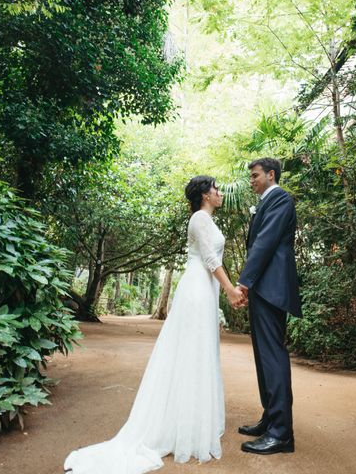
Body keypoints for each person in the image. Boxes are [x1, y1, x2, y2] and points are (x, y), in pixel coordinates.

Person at [63, 176, 246, 474]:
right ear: (204, 195)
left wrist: (226, 292)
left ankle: (190, 423)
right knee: (190, 353)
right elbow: (211, 259)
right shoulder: (199, 219)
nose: (220, 192)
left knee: (201, 354)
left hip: (206, 291)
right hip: (197, 290)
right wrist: (230, 290)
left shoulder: (209, 221)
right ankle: (178, 428)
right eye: (215, 189)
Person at [236, 157, 302, 455]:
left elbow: (264, 242)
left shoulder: (281, 200)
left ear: (271, 175)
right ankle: (270, 418)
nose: (251, 181)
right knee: (264, 357)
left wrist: (244, 282)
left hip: (271, 286)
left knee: (272, 356)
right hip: (265, 286)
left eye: (255, 176)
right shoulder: (268, 200)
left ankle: (281, 434)